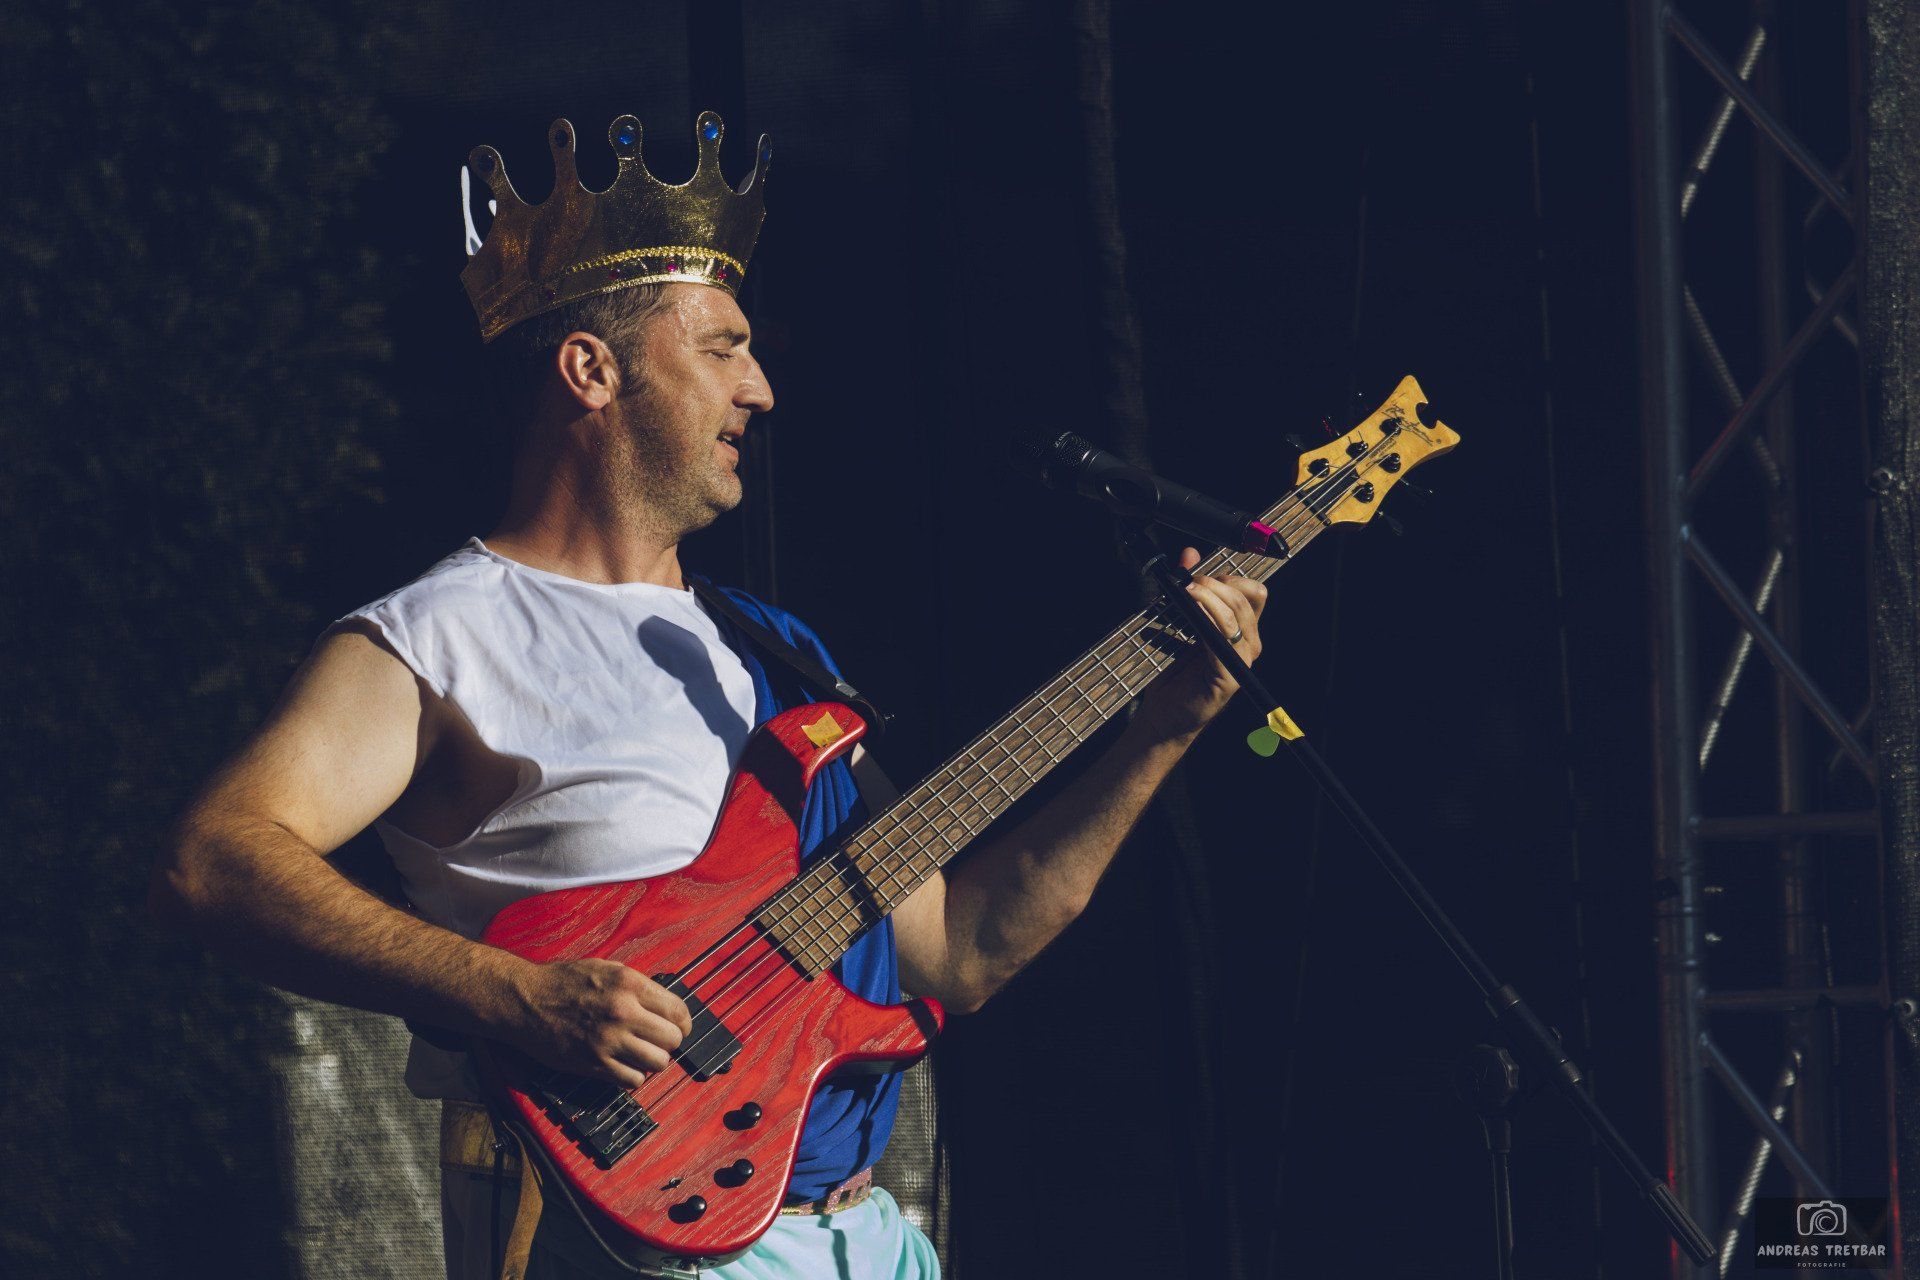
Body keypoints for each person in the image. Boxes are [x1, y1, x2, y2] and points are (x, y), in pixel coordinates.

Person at [149, 110, 1267, 1280]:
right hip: (631, 1245)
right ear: (592, 368)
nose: (762, 388)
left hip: (868, 1241)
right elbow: (211, 858)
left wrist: (1162, 732)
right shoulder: (440, 635)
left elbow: (961, 950)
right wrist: (511, 994)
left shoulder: (775, 655)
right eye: (725, 348)